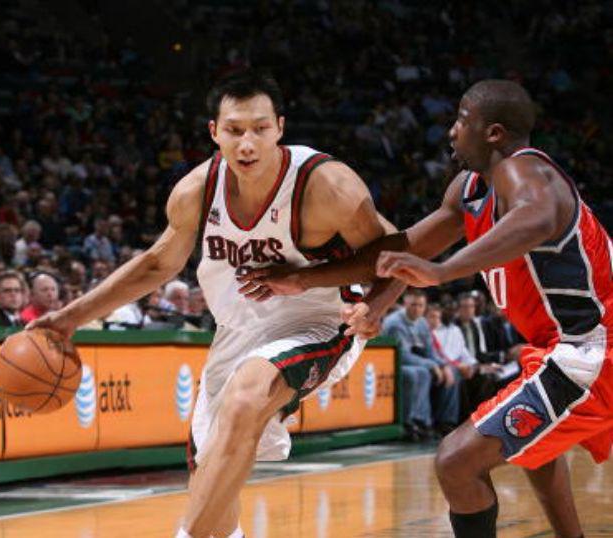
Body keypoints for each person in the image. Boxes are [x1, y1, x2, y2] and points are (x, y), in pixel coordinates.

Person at [28, 69, 393, 538]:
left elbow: (390, 252)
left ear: (280, 128)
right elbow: (156, 265)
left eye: (260, 129)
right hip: (238, 331)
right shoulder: (196, 191)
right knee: (209, 476)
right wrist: (68, 318)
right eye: (235, 130)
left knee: (246, 396)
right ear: (214, 132)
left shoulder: (325, 185)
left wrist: (373, 306)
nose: (248, 143)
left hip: (319, 320)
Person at [239, 80, 612, 538]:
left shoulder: (525, 169)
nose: (452, 131)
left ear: (493, 133)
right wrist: (308, 280)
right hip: (563, 350)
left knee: (457, 462)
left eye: (461, 120)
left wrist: (444, 271)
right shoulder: (470, 191)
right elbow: (403, 251)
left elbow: (537, 217)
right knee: (536, 449)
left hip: (593, 350)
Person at [382, 289, 461, 437]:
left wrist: (443, 365)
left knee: (452, 371)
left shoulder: (422, 323)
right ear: (405, 304)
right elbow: (402, 355)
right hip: (394, 363)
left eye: (420, 305)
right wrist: (431, 365)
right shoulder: (395, 323)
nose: (417, 309)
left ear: (425, 306)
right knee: (420, 373)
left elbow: (431, 352)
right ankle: (415, 421)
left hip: (417, 361)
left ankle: (445, 421)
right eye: (413, 305)